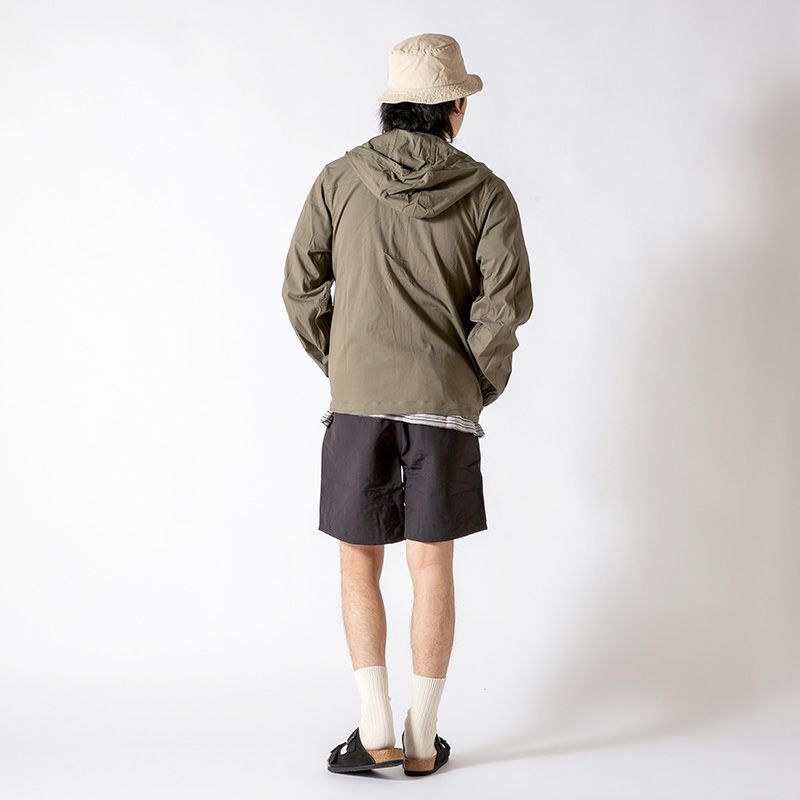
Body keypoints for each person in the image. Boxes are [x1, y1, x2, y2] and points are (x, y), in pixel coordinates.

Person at [282, 32, 533, 776]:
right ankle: (422, 739)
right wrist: (472, 382)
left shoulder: (338, 180)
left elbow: (300, 288)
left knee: (359, 562)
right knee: (432, 565)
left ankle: (375, 727)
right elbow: (504, 305)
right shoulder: (486, 191)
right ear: (455, 107)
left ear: (391, 105)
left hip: (359, 402)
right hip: (444, 404)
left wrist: (343, 363)